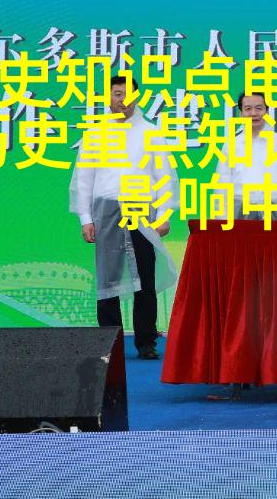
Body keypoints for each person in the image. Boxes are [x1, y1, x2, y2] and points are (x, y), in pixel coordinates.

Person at [69, 75, 179, 360]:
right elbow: (84, 179)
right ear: (109, 97)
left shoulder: (151, 133)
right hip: (106, 211)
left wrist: (164, 214)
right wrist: (85, 218)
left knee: (145, 277)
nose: (123, 100)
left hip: (141, 211)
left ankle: (146, 341)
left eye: (128, 95)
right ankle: (109, 342)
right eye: (117, 94)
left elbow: (164, 177)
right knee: (108, 280)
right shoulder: (95, 134)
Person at [216, 92, 277, 220]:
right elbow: (222, 186)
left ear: (266, 111)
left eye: (259, 108)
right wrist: (222, 219)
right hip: (239, 213)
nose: (254, 113)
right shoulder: (231, 145)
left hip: (276, 212)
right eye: (248, 109)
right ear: (241, 113)